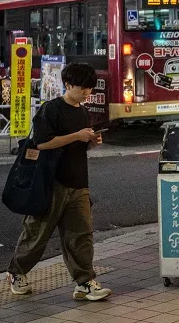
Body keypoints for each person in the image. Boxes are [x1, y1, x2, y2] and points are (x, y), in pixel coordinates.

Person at [6, 63, 112, 302]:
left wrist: (90, 142)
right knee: (38, 233)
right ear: (68, 84)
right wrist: (77, 136)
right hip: (51, 182)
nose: (87, 93)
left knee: (81, 235)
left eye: (89, 88)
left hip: (79, 182)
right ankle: (16, 272)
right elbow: (42, 143)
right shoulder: (50, 110)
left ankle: (84, 282)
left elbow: (78, 146)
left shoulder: (83, 112)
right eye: (82, 88)